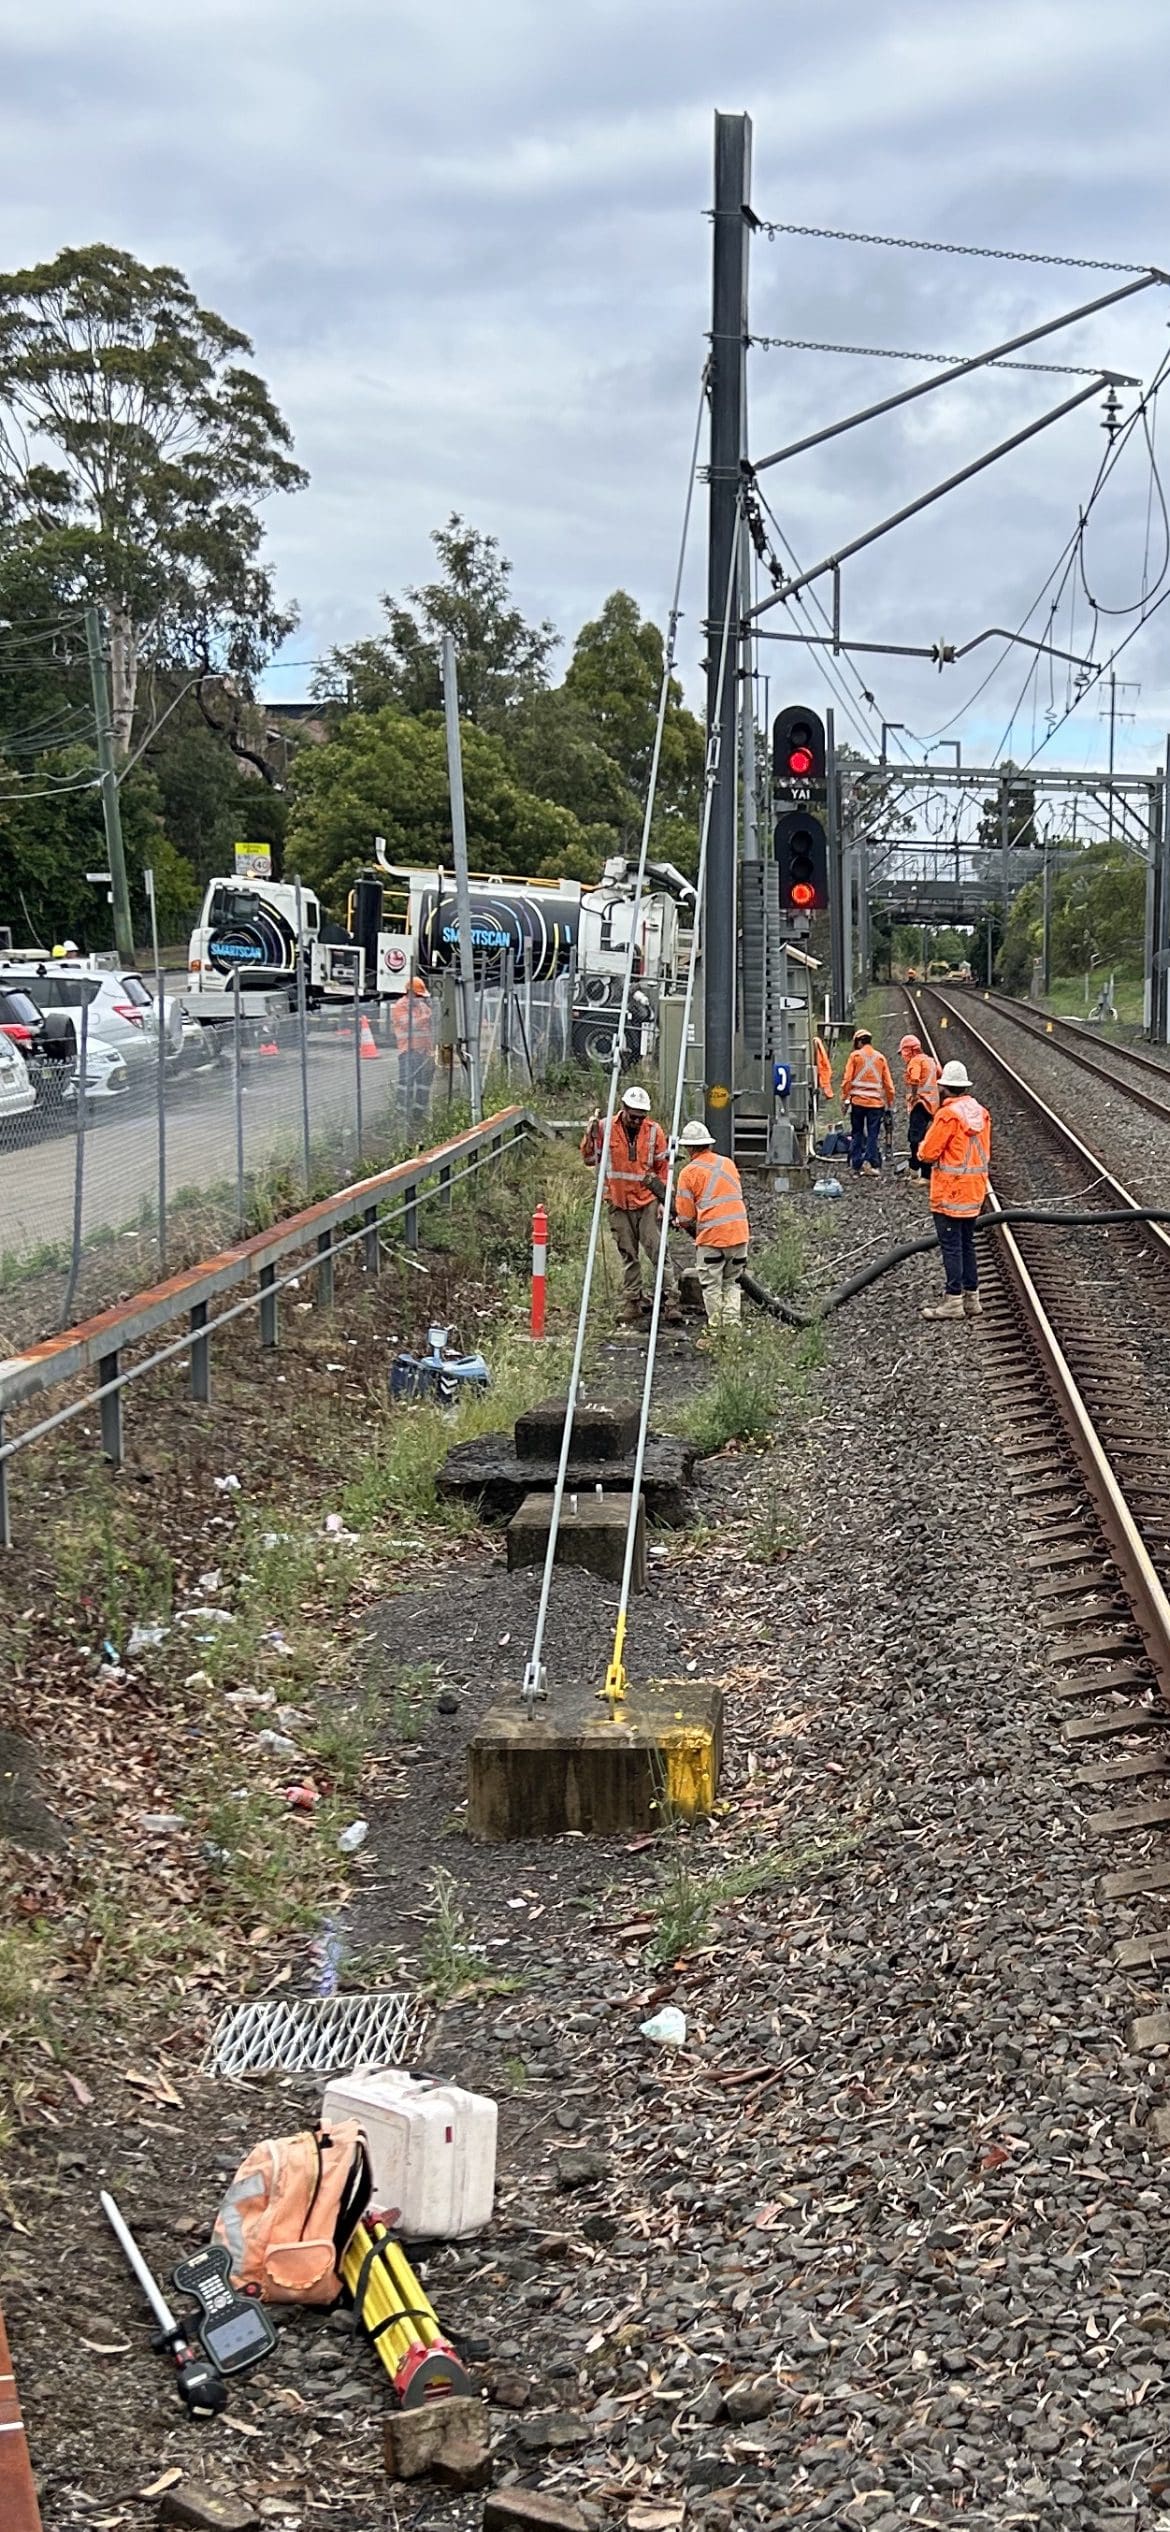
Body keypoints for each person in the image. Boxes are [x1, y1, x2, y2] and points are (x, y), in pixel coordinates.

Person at [580, 1087, 682, 1323]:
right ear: (623, 1109)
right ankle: (633, 1301)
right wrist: (590, 1136)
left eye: (641, 1116)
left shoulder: (654, 1132)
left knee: (658, 1251)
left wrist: (663, 1201)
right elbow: (588, 1159)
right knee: (629, 1254)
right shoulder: (605, 1128)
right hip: (618, 1202)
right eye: (633, 1115)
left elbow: (663, 1169)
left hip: (647, 1201)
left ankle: (671, 1301)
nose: (637, 1120)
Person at [917, 1058, 992, 1322]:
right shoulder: (980, 1112)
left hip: (950, 1193)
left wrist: (922, 1147)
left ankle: (953, 1301)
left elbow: (927, 1153)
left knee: (951, 1247)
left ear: (945, 1087)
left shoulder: (948, 1115)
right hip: (974, 1191)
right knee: (967, 1244)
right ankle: (973, 1299)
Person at [672, 1121, 750, 1328]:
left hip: (712, 1238)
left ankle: (716, 1332)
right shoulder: (727, 1163)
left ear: (688, 1148)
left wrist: (678, 1220)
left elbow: (686, 1217)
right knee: (732, 1282)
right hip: (739, 1233)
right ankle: (732, 1328)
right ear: (709, 1144)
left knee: (712, 1285)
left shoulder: (688, 1173)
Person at [840, 1028, 895, 1178]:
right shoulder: (880, 1058)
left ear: (859, 1041)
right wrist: (890, 1102)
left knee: (857, 1133)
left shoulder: (855, 1056)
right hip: (876, 1104)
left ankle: (856, 1164)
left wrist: (844, 1099)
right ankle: (871, 1162)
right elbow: (889, 1085)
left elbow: (847, 1081)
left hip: (858, 1103)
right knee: (873, 1134)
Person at [899, 1032, 941, 1183]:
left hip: (920, 1104)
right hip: (933, 1105)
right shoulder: (929, 1060)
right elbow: (939, 1074)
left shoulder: (915, 1061)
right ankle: (919, 1169)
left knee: (916, 1138)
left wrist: (915, 1094)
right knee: (928, 1137)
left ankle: (922, 1173)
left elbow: (915, 1078)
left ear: (909, 1050)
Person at [392, 976, 435, 1122]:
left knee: (424, 1085)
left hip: (424, 1051)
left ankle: (419, 1115)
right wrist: (425, 1018)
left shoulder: (422, 1006)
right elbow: (408, 1025)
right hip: (408, 1051)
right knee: (406, 1085)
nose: (420, 999)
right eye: (418, 996)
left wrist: (430, 1051)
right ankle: (402, 1116)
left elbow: (428, 1027)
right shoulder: (400, 1006)